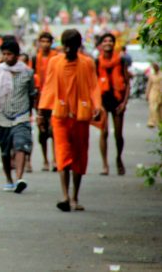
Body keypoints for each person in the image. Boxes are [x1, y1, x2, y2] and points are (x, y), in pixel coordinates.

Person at [38, 29, 102, 212]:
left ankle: (75, 197)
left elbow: (93, 86)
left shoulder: (87, 63)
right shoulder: (55, 62)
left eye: (71, 47)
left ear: (78, 47)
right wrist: (42, 113)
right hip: (60, 115)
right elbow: (49, 86)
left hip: (81, 116)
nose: (67, 50)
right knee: (62, 154)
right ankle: (65, 196)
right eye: (65, 46)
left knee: (80, 155)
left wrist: (97, 106)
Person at [0, 40, 36, 193]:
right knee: (5, 152)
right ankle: (9, 179)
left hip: (21, 116)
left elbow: (32, 94)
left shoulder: (27, 72)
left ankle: (20, 178)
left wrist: (33, 113)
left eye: (10, 54)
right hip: (2, 116)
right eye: (5, 54)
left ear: (17, 55)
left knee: (20, 144)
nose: (7, 57)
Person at [96, 33, 130, 175]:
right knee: (103, 133)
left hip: (117, 100)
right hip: (103, 100)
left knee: (118, 135)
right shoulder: (97, 62)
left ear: (114, 44)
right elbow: (93, 84)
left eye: (110, 41)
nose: (108, 43)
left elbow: (127, 83)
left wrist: (124, 102)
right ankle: (104, 164)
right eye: (105, 41)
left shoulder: (121, 60)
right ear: (101, 45)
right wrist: (96, 104)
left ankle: (118, 158)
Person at [32, 32, 59, 171]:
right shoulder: (35, 58)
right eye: (42, 41)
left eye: (47, 41)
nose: (45, 44)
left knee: (54, 129)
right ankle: (45, 160)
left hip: (54, 97)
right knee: (42, 130)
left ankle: (55, 159)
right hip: (40, 99)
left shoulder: (56, 56)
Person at [146, 63, 161, 128]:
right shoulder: (151, 75)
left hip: (160, 92)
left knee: (159, 108)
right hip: (153, 91)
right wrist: (147, 93)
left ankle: (159, 121)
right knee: (152, 107)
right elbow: (149, 85)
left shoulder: (161, 74)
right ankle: (152, 121)